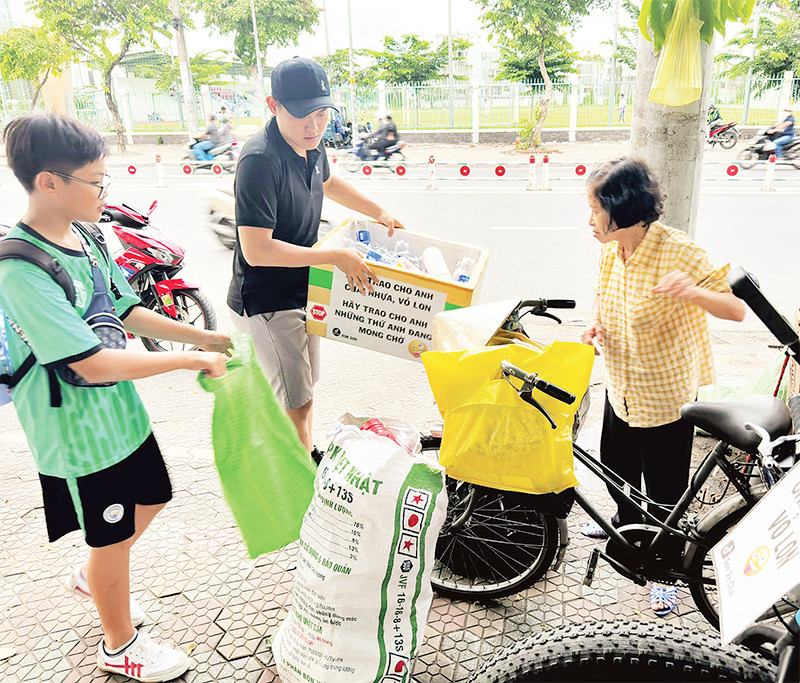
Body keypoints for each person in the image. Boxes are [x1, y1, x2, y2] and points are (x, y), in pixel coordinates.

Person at [0, 112, 232, 682]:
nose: (106, 191)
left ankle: (95, 575)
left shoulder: (87, 237)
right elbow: (89, 362)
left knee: (153, 497)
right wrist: (188, 360)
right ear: (49, 183)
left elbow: (125, 309)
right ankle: (119, 644)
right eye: (96, 181)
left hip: (118, 412)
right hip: (76, 434)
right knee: (113, 536)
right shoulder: (20, 268)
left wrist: (202, 336)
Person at [579, 157, 745, 617]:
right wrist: (594, 324)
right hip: (621, 384)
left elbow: (735, 309)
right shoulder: (612, 248)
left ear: (623, 210)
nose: (589, 220)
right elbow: (602, 292)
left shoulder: (678, 251)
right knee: (617, 469)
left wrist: (691, 291)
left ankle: (666, 572)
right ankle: (627, 528)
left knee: (666, 491)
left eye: (595, 210)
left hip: (666, 396)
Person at [227, 57, 404, 453]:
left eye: (322, 113)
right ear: (273, 106)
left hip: (302, 287)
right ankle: (299, 476)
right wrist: (333, 256)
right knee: (296, 403)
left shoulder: (310, 143)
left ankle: (302, 458)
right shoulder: (260, 161)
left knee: (304, 391)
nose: (314, 125)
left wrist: (377, 211)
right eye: (301, 114)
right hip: (267, 298)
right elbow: (256, 251)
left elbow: (328, 180)